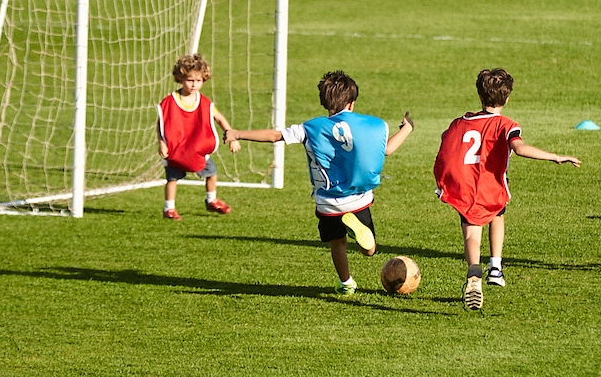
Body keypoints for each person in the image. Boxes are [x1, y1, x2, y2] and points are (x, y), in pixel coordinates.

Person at [224, 71, 413, 294]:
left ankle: (346, 283)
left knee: (337, 243)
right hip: (358, 198)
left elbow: (275, 136)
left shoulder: (310, 128)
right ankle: (360, 232)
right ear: (352, 103)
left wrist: (237, 133)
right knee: (370, 250)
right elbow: (388, 150)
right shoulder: (372, 125)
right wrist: (407, 128)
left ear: (324, 102)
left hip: (328, 202)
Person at [434, 68, 580, 311]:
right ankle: (495, 268)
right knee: (498, 214)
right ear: (507, 98)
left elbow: (447, 139)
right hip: (491, 186)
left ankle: (474, 270)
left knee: (471, 234)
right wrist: (555, 157)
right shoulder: (505, 124)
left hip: (467, 186)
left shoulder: (462, 121)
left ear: (480, 96)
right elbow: (520, 148)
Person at [157, 53, 240, 220]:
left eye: (198, 80)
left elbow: (219, 117)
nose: (194, 84)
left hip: (196, 149)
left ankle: (211, 200)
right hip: (177, 150)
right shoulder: (170, 102)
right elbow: (162, 125)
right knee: (172, 178)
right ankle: (169, 208)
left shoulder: (204, 103)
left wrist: (232, 136)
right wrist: (162, 143)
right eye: (190, 80)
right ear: (180, 78)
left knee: (211, 172)